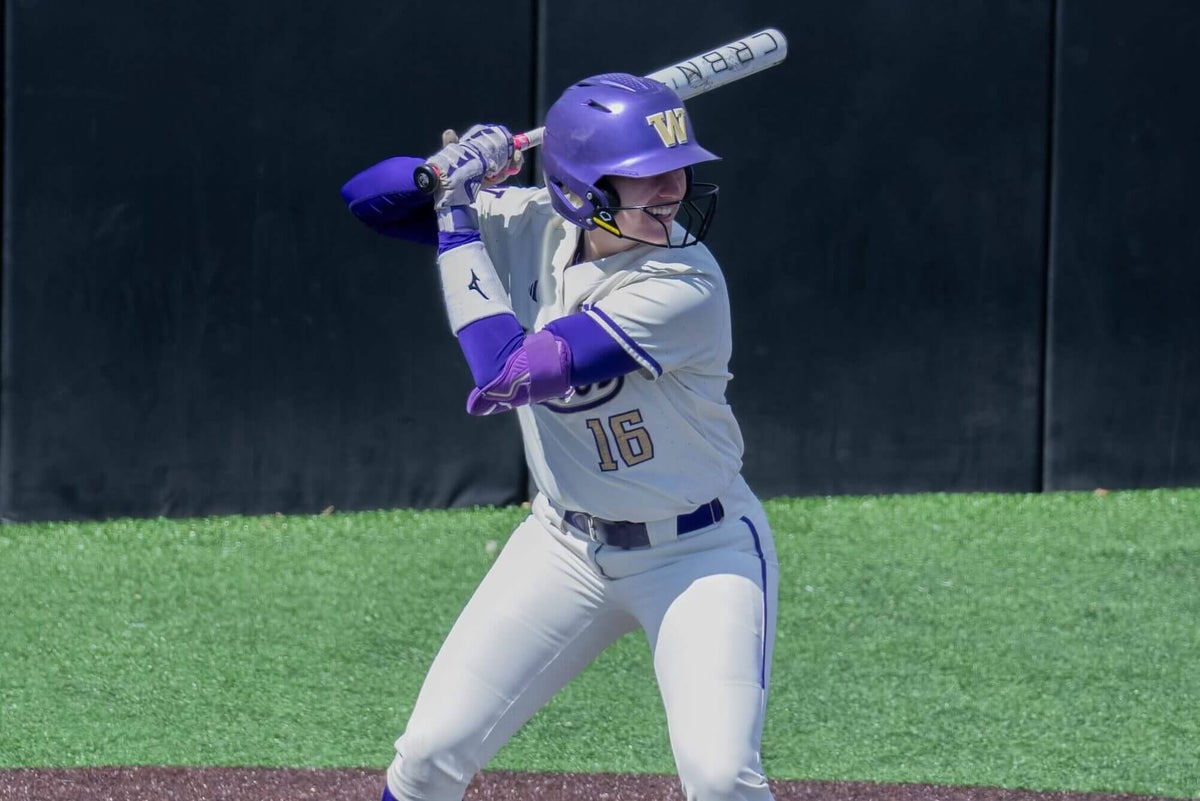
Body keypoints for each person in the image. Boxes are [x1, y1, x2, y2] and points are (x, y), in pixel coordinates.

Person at [340, 72, 778, 801]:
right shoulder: (529, 221)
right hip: (563, 545)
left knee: (720, 777)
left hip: (699, 552)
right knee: (428, 754)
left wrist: (456, 217)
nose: (671, 190)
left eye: (675, 169)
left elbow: (508, 374)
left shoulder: (684, 284)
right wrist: (444, 171)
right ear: (581, 190)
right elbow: (368, 199)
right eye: (643, 177)